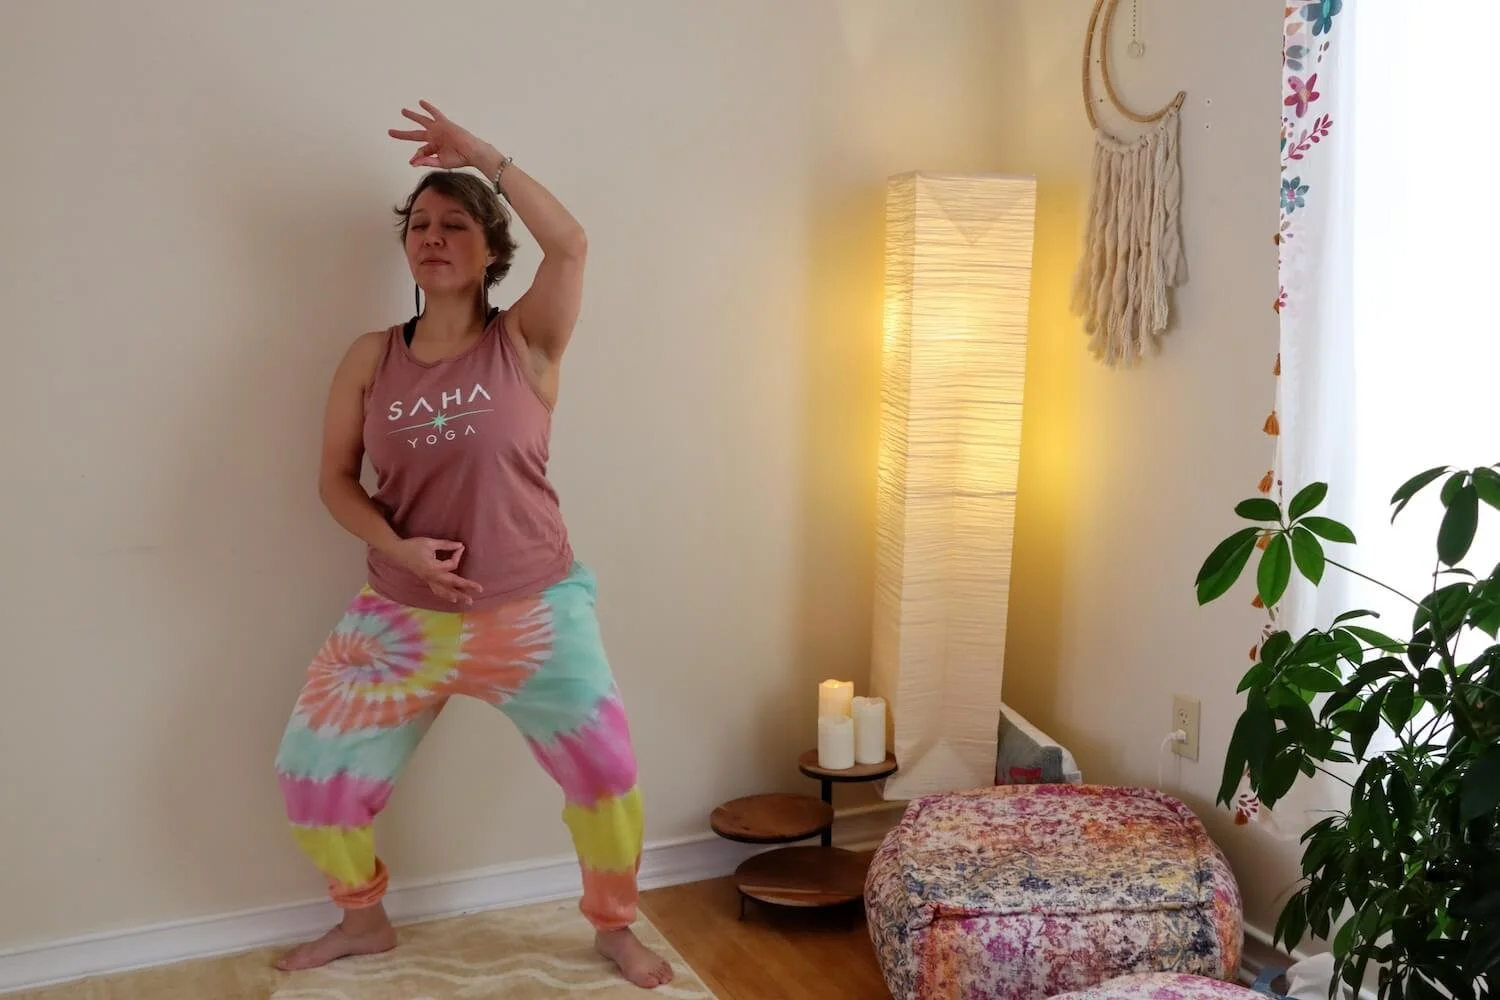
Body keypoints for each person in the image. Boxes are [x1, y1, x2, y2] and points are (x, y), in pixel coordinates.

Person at [270, 101, 673, 989]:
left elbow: (571, 243)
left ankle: (614, 926)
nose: (433, 236)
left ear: (492, 249)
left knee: (607, 775)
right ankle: (363, 921)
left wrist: (484, 157)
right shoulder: (371, 357)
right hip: (402, 616)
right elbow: (336, 478)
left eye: (455, 223)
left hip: (535, 610)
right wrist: (400, 550)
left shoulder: (524, 341)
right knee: (311, 775)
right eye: (419, 224)